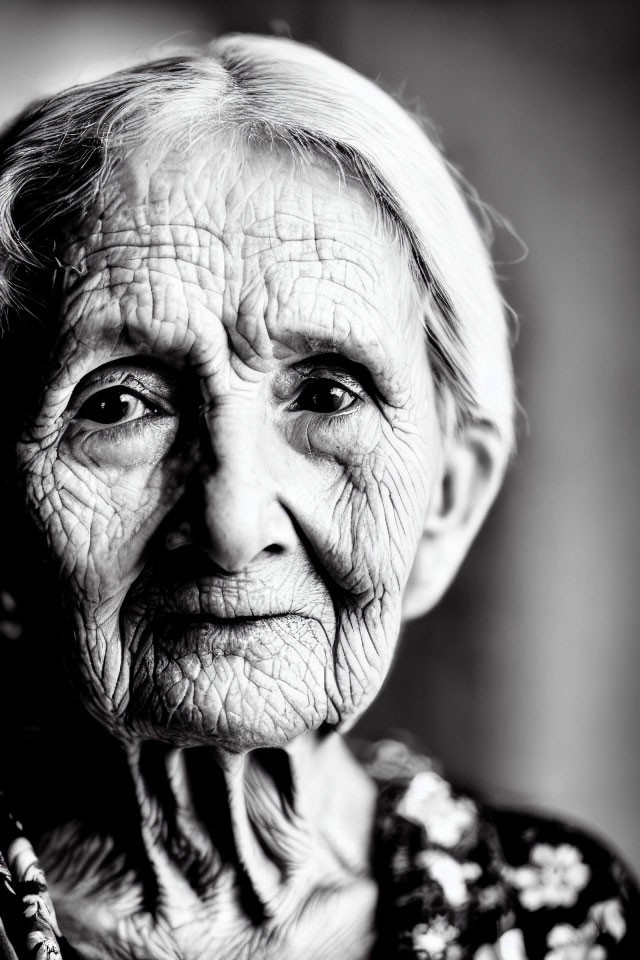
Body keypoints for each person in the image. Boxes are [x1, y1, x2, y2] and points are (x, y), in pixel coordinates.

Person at [0, 33, 636, 960]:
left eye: (327, 395)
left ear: (449, 501)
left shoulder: (567, 925)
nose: (231, 521)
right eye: (120, 405)